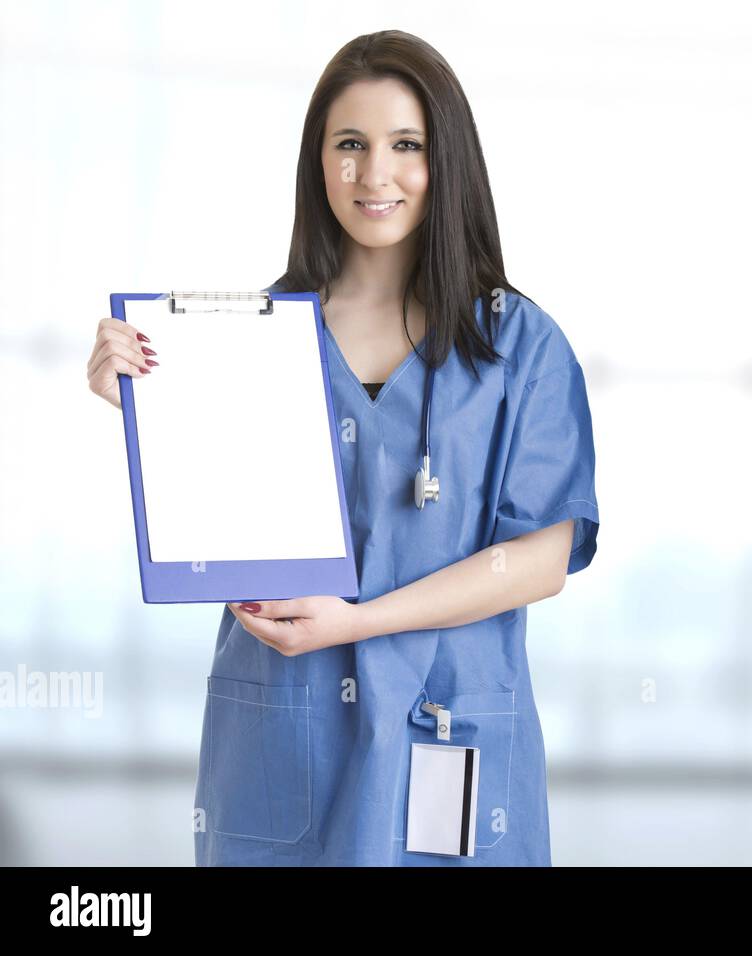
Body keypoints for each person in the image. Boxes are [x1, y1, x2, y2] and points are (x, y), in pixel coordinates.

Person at [84, 30, 600, 866]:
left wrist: (357, 624)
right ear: (317, 162)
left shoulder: (521, 345)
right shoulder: (238, 340)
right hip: (285, 734)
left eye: (406, 146)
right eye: (349, 145)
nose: (374, 174)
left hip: (449, 725)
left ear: (447, 161)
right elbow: (214, 518)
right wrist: (145, 407)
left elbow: (540, 560)